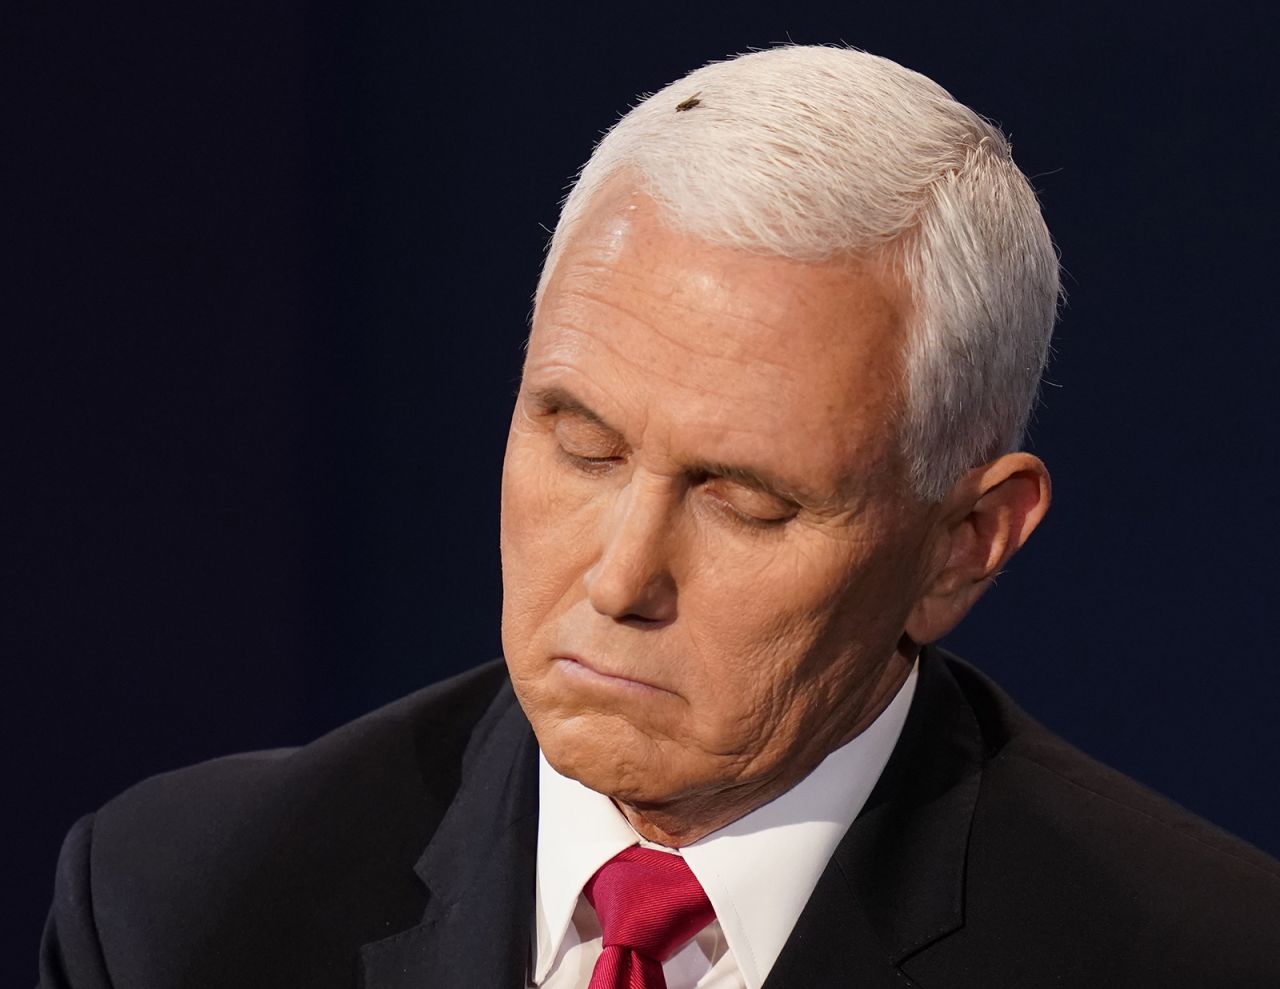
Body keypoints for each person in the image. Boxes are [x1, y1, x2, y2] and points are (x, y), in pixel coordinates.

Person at [38, 45, 1280, 989]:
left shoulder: (1199, 951)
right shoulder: (182, 908)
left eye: (743, 499)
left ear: (963, 541)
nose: (620, 575)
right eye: (579, 443)